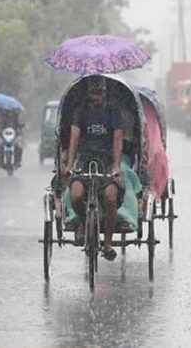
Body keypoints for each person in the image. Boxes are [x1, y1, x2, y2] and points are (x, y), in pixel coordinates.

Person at [64, 76, 125, 261]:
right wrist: (69, 165)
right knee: (75, 195)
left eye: (99, 93)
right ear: (88, 93)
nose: (95, 97)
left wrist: (116, 165)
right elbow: (74, 139)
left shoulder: (114, 111)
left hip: (106, 161)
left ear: (104, 93)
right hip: (84, 160)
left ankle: (107, 242)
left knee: (110, 196)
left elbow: (117, 139)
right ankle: (83, 222)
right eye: (92, 93)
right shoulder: (80, 111)